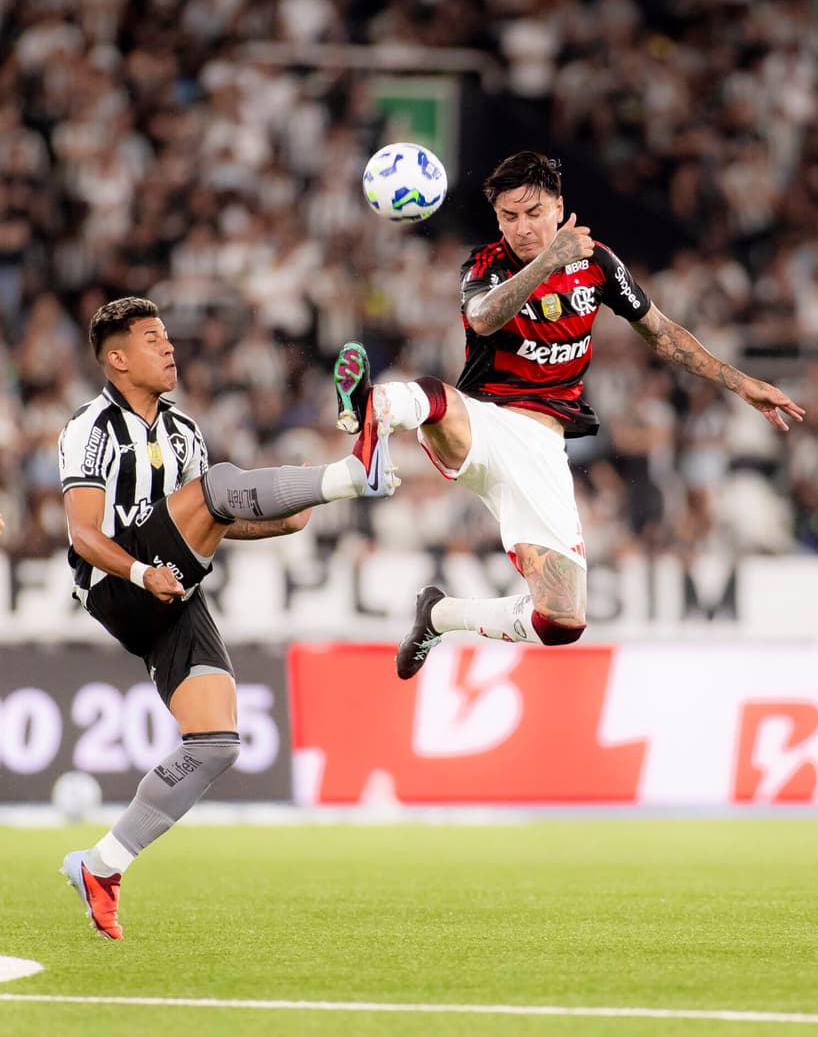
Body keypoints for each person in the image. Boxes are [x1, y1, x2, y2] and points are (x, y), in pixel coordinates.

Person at [333, 151, 804, 679]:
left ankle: (439, 615)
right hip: (485, 421)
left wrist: (740, 383)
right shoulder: (485, 264)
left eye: (533, 213)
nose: (521, 228)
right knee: (433, 400)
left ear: (559, 207)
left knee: (562, 620)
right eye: (509, 217)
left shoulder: (598, 264)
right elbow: (483, 319)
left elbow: (662, 332)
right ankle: (373, 409)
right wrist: (547, 262)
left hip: (541, 447)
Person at [58, 295, 398, 939]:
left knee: (215, 744)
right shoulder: (91, 428)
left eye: (168, 338)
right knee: (217, 486)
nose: (169, 348)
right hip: (118, 583)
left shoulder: (183, 432)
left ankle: (102, 865)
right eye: (153, 339)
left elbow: (218, 519)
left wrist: (289, 513)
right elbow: (81, 534)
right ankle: (356, 472)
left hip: (175, 591)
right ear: (118, 358)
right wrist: (138, 571)